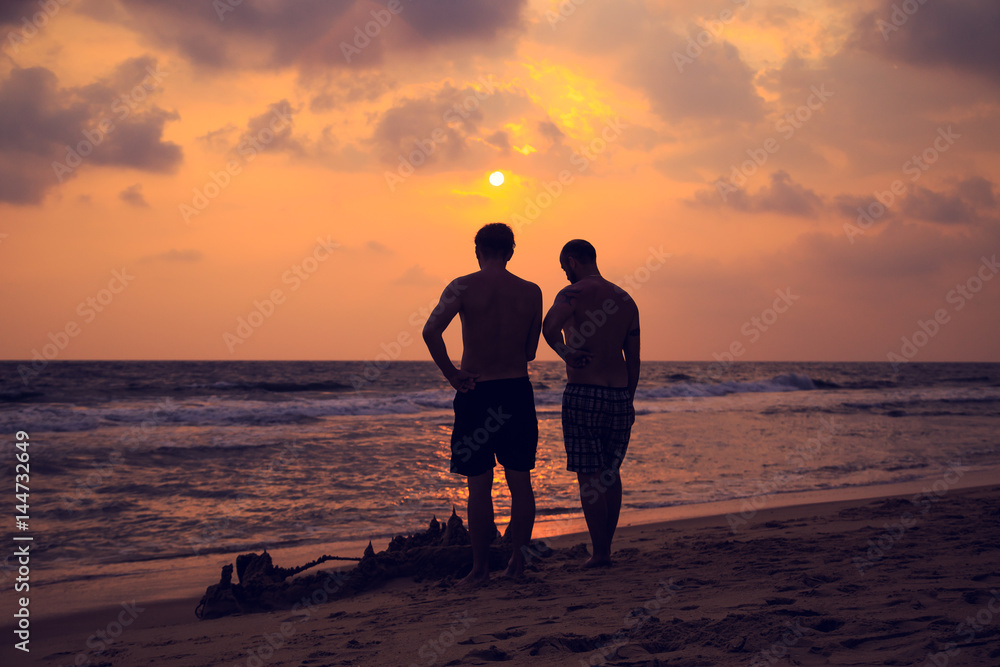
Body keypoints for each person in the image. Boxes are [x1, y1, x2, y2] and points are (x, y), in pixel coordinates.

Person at [422, 223, 543, 585]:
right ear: (511, 252)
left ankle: (479, 569)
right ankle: (517, 565)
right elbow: (531, 352)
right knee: (520, 482)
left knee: (479, 485)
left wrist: (452, 374)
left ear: (478, 251)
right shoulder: (531, 291)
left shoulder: (461, 286)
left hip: (477, 391)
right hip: (517, 391)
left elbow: (430, 331)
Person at [542, 239, 640, 568]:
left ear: (572, 261)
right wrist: (629, 398)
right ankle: (605, 550)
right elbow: (634, 358)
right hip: (619, 395)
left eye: (563, 268)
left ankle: (599, 554)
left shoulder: (572, 294)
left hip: (584, 393)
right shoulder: (626, 300)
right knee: (611, 474)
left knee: (589, 476)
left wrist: (567, 352)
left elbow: (549, 327)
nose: (565, 275)